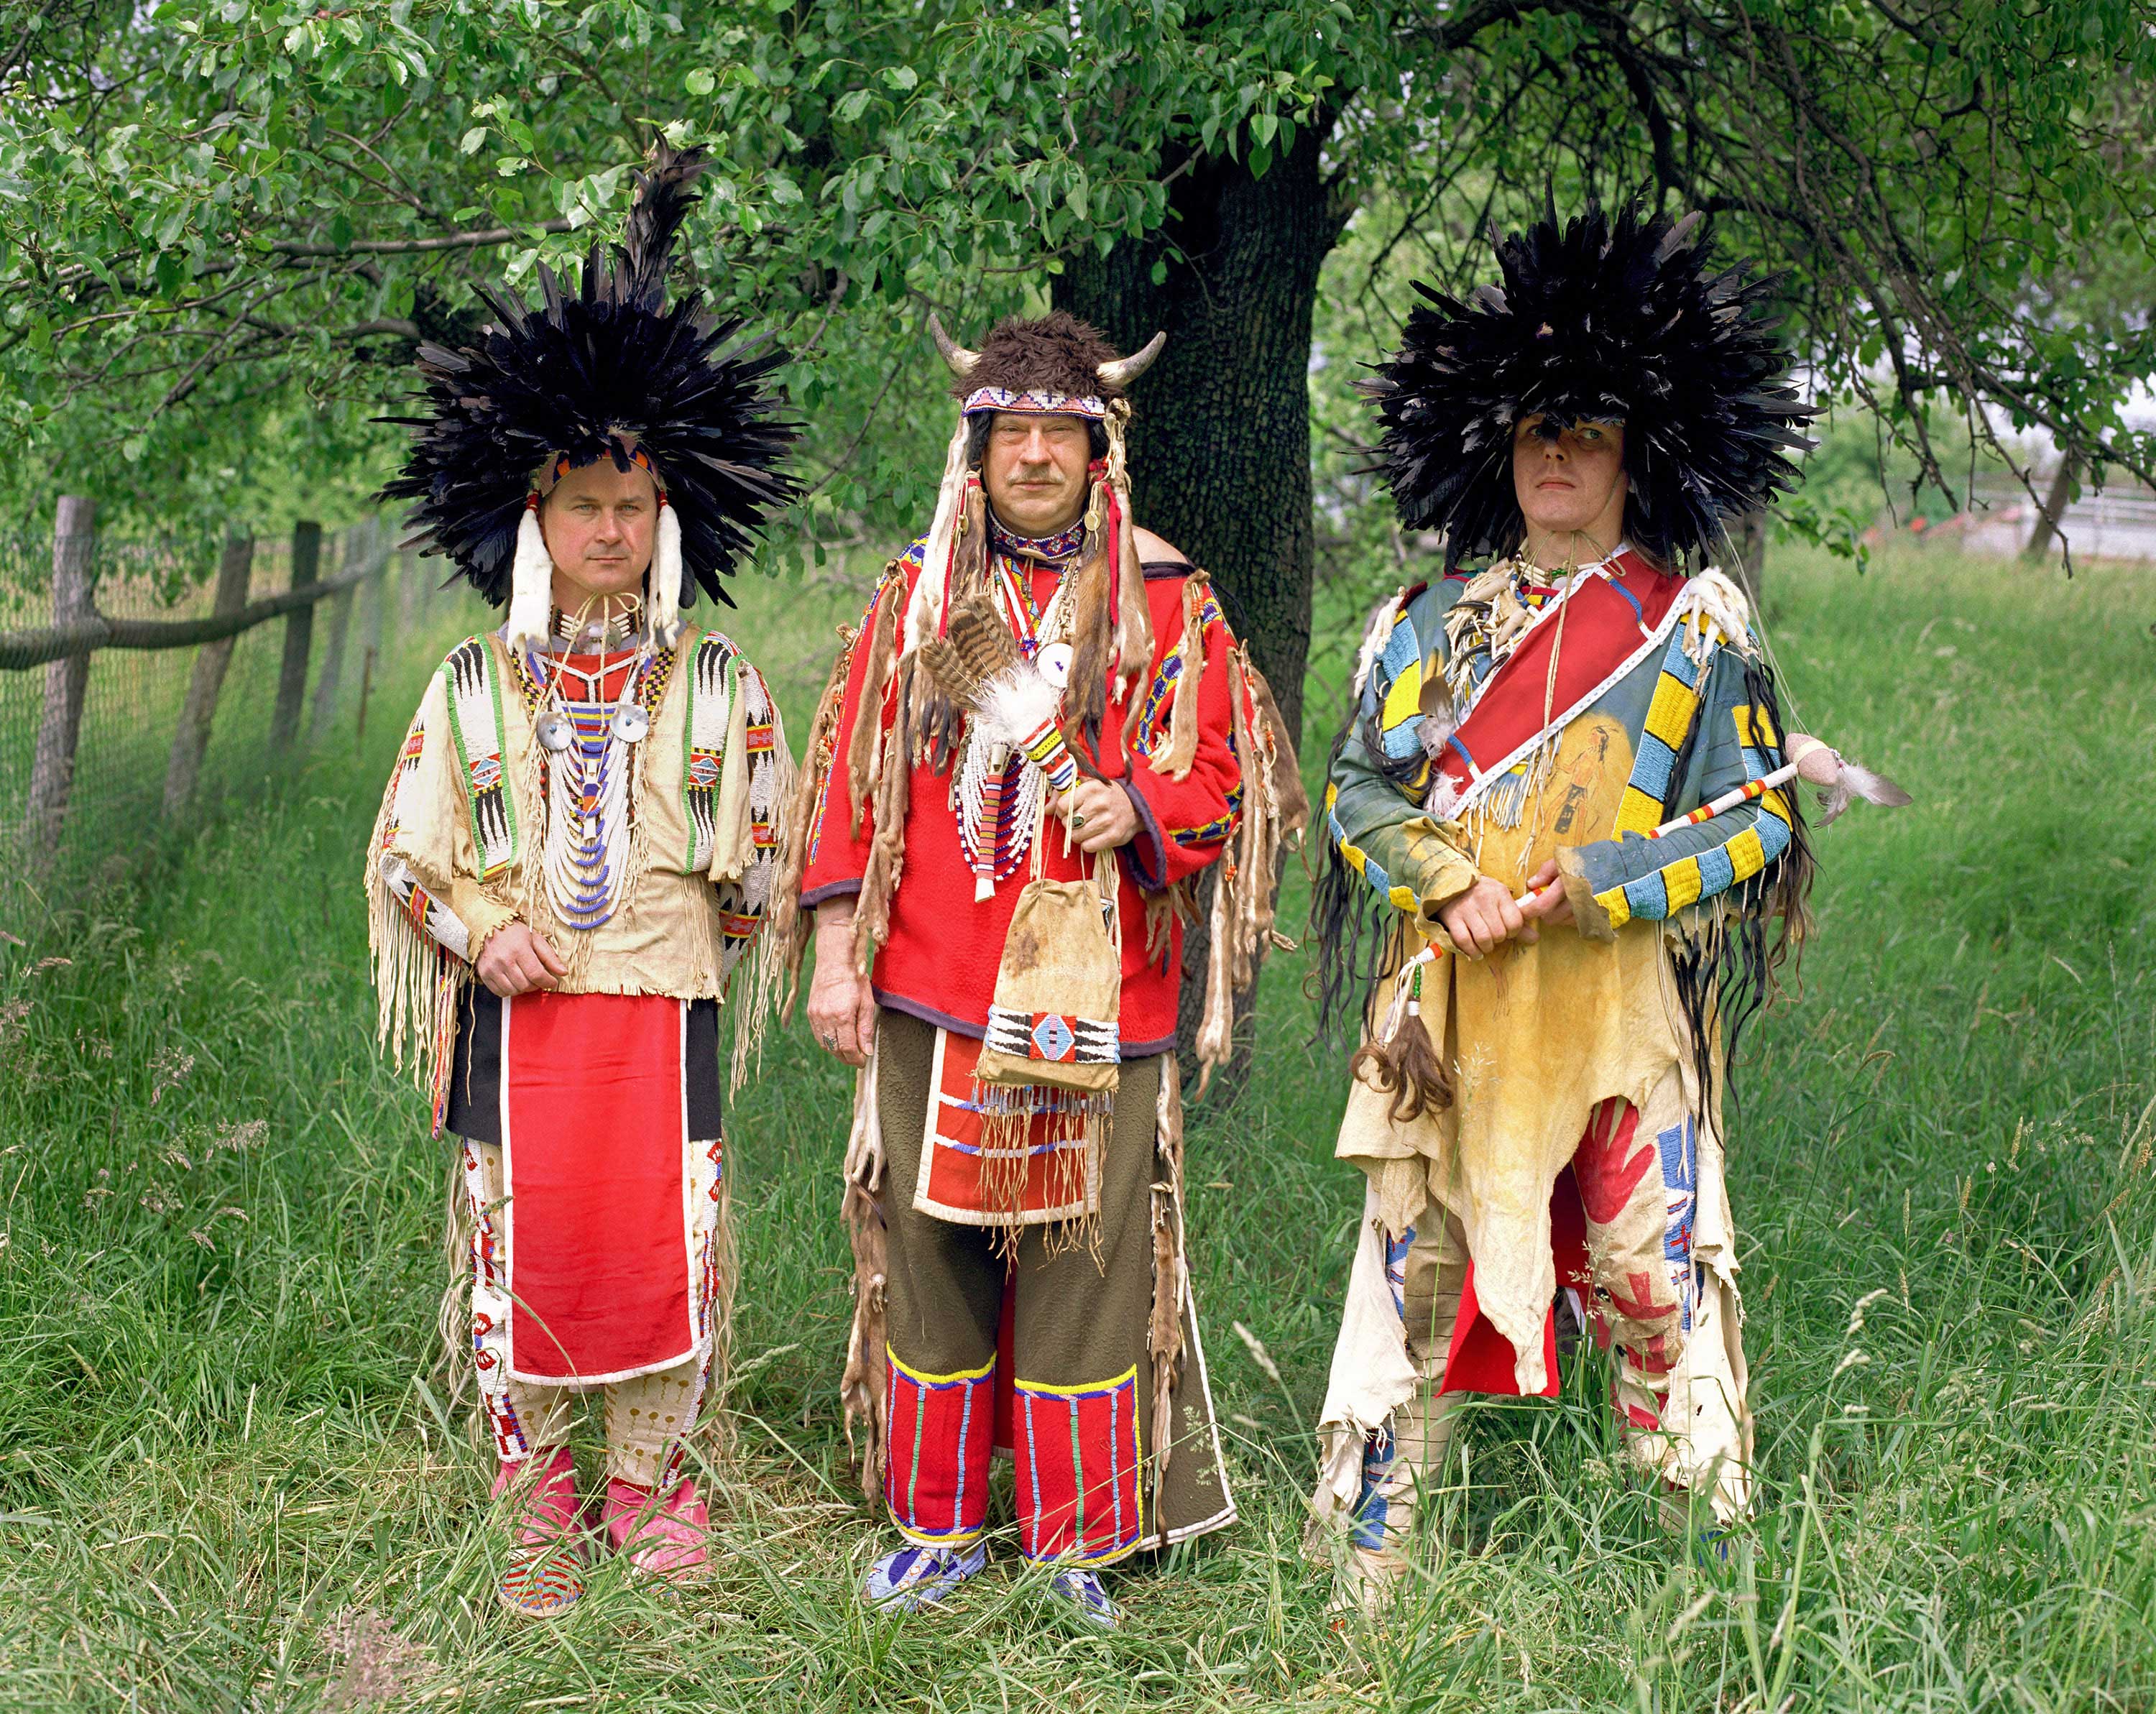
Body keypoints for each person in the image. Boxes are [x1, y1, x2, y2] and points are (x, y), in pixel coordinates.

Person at [1305, 206, 1819, 1612]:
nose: (1556, 451)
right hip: (1446, 1017)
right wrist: (1448, 877)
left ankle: (1716, 1606)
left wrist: (1602, 880)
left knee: (1656, 1287)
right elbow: (1358, 792)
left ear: (1633, 449)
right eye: (1537, 424)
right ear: (1502, 440)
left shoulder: (1692, 627)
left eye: (1586, 427)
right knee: (1410, 1297)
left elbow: (1761, 817)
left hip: (1619, 1020)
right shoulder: (1427, 622)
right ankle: (1366, 1600)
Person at [767, 311, 1302, 1628]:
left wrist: (1142, 808)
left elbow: (1226, 773)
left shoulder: (1168, 597)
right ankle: (940, 1525)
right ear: (979, 446)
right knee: (932, 1239)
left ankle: (1077, 1543)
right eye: (1013, 432)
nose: (1036, 455)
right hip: (933, 987)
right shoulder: (919, 597)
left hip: (1097, 983)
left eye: (1060, 432)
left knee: (1090, 1250)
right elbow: (851, 781)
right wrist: (837, 956)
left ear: (1098, 448)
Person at [364, 147, 796, 1616]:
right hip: (521, 1021)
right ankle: (539, 1493)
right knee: (514, 1246)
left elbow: (761, 881)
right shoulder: (473, 683)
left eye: (633, 504)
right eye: (583, 504)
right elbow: (403, 859)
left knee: (670, 1247)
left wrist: (691, 939)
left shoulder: (724, 684)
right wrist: (485, 930)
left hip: (660, 1020)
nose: (609, 529)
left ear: (669, 517)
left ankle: (653, 1487)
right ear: (534, 518)